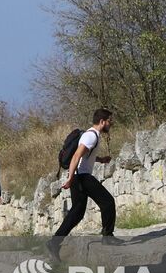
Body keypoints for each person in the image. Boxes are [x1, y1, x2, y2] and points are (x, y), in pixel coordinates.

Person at [48, 109, 117, 257]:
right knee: (108, 202)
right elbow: (76, 156)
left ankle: (54, 243)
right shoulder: (91, 136)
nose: (111, 124)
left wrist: (100, 159)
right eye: (110, 121)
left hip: (79, 176)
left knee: (77, 213)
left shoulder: (92, 135)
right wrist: (70, 177)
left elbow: (84, 156)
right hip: (81, 177)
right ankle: (108, 237)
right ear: (102, 121)